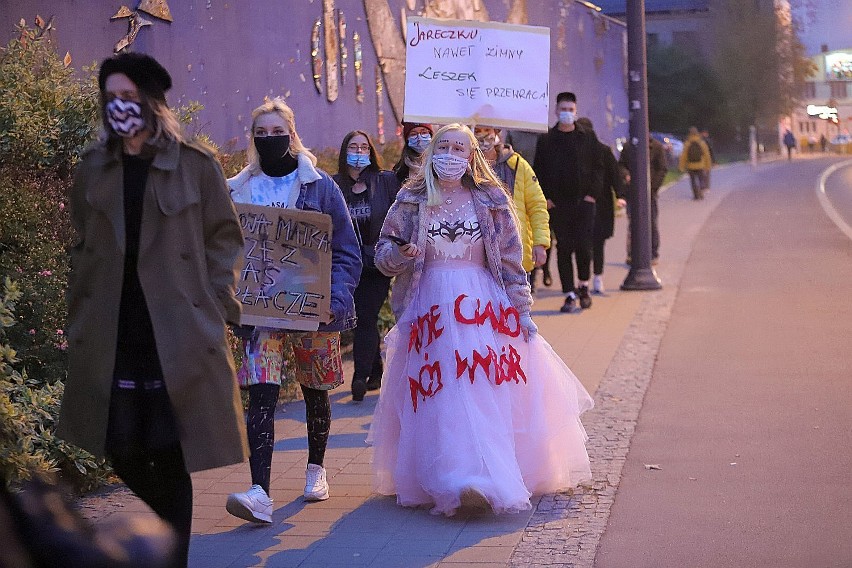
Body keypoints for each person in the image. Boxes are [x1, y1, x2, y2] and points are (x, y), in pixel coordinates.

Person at [57, 52, 248, 567]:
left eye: (129, 96)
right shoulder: (93, 168)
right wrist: (77, 316)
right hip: (113, 329)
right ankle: (164, 545)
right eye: (111, 98)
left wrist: (214, 303)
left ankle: (171, 559)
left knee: (167, 454)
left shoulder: (195, 165)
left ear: (152, 102)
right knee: (120, 447)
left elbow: (223, 239)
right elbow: (81, 245)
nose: (120, 107)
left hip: (176, 328)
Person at [369, 123, 593, 517]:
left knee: (480, 389)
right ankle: (451, 477)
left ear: (471, 155)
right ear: (431, 152)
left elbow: (510, 262)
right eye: (445, 146)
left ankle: (481, 478)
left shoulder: (490, 199)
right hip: (429, 309)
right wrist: (400, 254)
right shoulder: (411, 199)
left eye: (460, 147)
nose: (451, 154)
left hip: (481, 307)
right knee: (441, 394)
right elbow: (382, 252)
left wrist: (522, 312)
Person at [225, 98, 361, 523]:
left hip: (313, 311)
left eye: (276, 132)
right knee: (261, 394)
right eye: (260, 134)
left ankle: (316, 468)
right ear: (252, 140)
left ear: (292, 133)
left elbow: (346, 251)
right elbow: (222, 253)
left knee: (315, 389)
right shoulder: (237, 191)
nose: (270, 140)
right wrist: (228, 299)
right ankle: (260, 492)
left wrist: (335, 301)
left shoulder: (320, 186)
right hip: (260, 313)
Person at [332, 130, 401, 401]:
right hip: (348, 264)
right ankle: (375, 370)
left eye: (363, 147)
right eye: (353, 147)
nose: (359, 152)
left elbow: (399, 214)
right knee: (363, 317)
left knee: (365, 314)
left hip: (376, 263)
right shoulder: (335, 185)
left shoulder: (385, 182)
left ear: (371, 152)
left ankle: (359, 377)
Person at [533, 92, 604, 313]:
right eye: (563, 109)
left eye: (571, 110)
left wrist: (592, 195)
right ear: (556, 111)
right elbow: (539, 170)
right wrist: (547, 198)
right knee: (563, 248)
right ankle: (569, 293)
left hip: (584, 203)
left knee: (583, 246)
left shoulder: (588, 137)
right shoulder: (546, 140)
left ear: (576, 111)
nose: (567, 114)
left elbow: (598, 167)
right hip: (558, 205)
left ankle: (584, 286)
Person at [473, 124, 550, 293]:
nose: (482, 136)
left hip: (514, 257)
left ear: (497, 132)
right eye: (477, 131)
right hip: (476, 261)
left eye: (487, 130)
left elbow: (537, 205)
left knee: (519, 314)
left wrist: (540, 243)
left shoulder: (516, 165)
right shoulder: (465, 168)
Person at [575, 118, 626, 293]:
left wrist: (620, 195)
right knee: (586, 244)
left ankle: (596, 277)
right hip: (584, 205)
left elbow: (614, 175)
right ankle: (589, 279)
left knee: (596, 243)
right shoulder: (576, 151)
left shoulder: (603, 151)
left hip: (601, 205)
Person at [619, 134, 668, 265]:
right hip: (632, 191)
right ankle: (632, 254)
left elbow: (662, 168)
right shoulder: (629, 146)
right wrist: (626, 175)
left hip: (650, 193)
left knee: (651, 222)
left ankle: (652, 253)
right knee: (633, 223)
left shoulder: (656, 147)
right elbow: (621, 165)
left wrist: (652, 187)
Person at [680, 126, 712, 200]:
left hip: (690, 166)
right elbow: (707, 155)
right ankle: (701, 191)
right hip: (701, 165)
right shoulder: (702, 143)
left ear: (689, 134)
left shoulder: (687, 143)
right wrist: (708, 166)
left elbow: (683, 156)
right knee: (701, 179)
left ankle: (696, 195)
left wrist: (681, 166)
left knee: (693, 181)